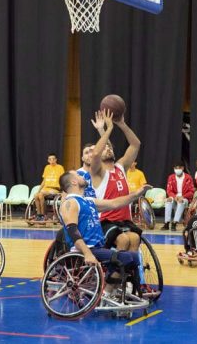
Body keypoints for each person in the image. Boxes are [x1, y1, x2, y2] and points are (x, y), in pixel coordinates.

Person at [56, 171, 150, 294]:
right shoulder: (70, 202)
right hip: (84, 249)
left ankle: (113, 289)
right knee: (125, 258)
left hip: (98, 247)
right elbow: (72, 231)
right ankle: (107, 293)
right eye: (78, 176)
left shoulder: (88, 201)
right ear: (74, 182)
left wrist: (138, 193)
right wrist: (87, 253)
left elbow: (115, 203)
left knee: (134, 257)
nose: (82, 177)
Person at [89, 109, 142, 252]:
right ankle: (115, 274)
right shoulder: (98, 172)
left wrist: (122, 124)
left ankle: (130, 273)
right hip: (104, 221)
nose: (108, 149)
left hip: (124, 220)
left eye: (110, 148)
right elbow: (95, 154)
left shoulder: (120, 167)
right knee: (123, 240)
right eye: (104, 148)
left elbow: (135, 144)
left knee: (135, 239)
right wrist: (108, 129)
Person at [163, 163, 195, 231]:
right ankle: (167, 223)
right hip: (175, 197)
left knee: (181, 202)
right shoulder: (171, 177)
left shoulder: (188, 177)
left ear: (182, 168)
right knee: (168, 201)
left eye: (178, 168)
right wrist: (174, 197)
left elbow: (191, 192)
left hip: (185, 198)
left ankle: (175, 223)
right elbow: (169, 190)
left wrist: (183, 197)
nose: (177, 170)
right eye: (175, 168)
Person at [35, 153, 65, 221]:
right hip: (46, 188)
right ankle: (39, 215)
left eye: (53, 159)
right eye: (50, 159)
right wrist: (39, 190)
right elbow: (44, 180)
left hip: (54, 188)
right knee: (36, 195)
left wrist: (62, 189)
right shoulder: (47, 167)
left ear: (56, 160)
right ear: (48, 160)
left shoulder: (60, 167)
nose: (52, 160)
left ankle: (43, 215)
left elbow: (62, 179)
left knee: (41, 195)